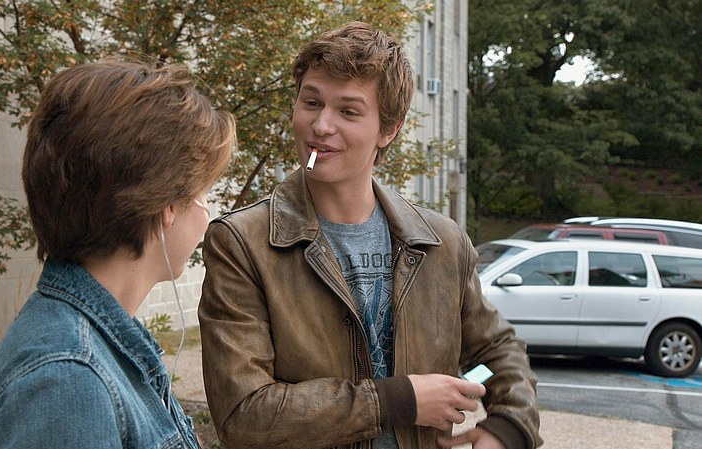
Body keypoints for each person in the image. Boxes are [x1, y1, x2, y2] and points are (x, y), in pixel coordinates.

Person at [198, 21, 541, 449]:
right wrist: (397, 401)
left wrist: (509, 425)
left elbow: (496, 351)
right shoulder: (243, 243)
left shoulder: (441, 241)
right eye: (311, 102)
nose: (321, 125)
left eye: (348, 111)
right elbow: (245, 415)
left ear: (389, 129)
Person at [0, 58, 235, 449]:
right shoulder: (67, 383)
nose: (207, 211)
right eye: (204, 191)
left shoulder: (97, 347)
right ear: (168, 206)